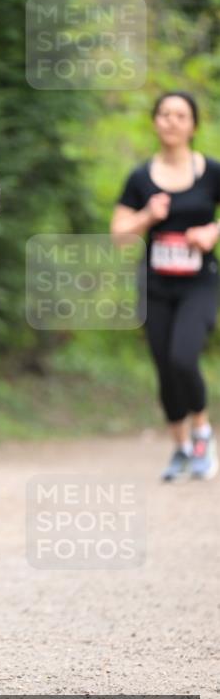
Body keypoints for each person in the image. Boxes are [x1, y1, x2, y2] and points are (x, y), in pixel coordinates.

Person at [111, 92, 220, 482]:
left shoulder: (211, 172)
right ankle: (180, 447)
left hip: (199, 284)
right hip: (155, 286)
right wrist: (146, 215)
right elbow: (119, 234)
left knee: (182, 358)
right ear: (155, 122)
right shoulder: (141, 178)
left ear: (193, 125)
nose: (172, 121)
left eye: (181, 115)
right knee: (164, 369)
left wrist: (212, 231)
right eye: (164, 114)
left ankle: (203, 432)